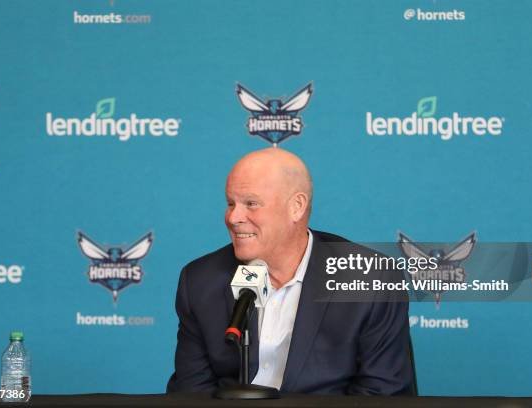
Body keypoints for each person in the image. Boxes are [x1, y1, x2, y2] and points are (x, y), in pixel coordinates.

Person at [167, 148, 413, 395]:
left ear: (296, 207)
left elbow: (379, 395)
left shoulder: (371, 278)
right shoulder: (200, 280)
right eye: (231, 203)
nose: (233, 217)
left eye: (251, 203)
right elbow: (192, 392)